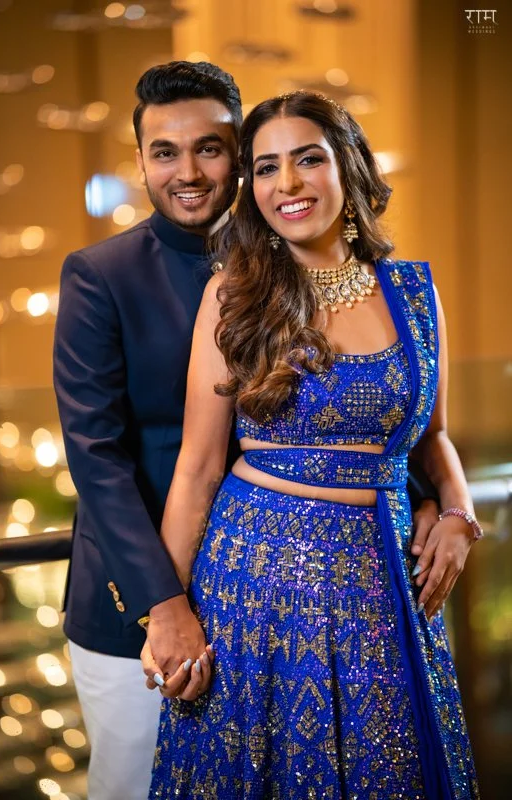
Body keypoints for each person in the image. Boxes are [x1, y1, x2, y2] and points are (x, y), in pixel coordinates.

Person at [146, 91, 480, 799]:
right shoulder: (234, 296)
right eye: (265, 168)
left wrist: (457, 512)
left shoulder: (412, 292)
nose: (287, 184)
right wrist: (166, 612)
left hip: (384, 580)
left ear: (346, 168)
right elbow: (198, 468)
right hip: (257, 578)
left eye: (307, 159)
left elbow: (435, 437)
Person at [53, 61, 242, 800]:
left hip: (258, 595)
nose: (187, 171)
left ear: (238, 151)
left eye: (209, 147)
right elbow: (95, 456)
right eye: (165, 152)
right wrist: (163, 607)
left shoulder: (284, 269)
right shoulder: (99, 275)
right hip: (130, 605)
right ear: (140, 161)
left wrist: (436, 499)